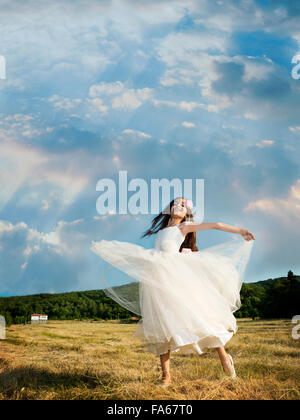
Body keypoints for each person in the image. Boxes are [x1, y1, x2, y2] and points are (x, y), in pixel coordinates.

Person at [91, 197, 255, 387]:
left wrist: (241, 231)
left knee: (198, 316)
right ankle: (166, 376)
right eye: (176, 203)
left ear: (186, 214)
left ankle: (225, 357)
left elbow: (216, 225)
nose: (179, 206)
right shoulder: (162, 230)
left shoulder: (183, 228)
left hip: (176, 279)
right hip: (158, 284)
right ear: (169, 209)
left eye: (184, 205)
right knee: (162, 325)